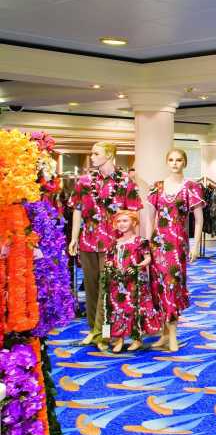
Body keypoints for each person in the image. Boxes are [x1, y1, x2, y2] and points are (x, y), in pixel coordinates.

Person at [68, 142, 141, 346]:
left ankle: (104, 332)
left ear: (109, 155)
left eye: (96, 153)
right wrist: (74, 238)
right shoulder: (84, 181)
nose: (91, 156)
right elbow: (77, 210)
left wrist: (134, 243)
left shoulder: (125, 181)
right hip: (88, 241)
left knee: (107, 288)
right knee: (91, 288)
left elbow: (134, 214)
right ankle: (93, 329)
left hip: (114, 243)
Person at [135, 148, 206, 352]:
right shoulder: (157, 187)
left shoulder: (191, 187)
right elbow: (149, 218)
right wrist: (146, 245)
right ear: (167, 162)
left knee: (172, 286)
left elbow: (199, 220)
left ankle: (173, 334)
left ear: (185, 163)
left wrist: (195, 245)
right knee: (158, 287)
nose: (175, 163)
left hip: (177, 244)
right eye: (171, 160)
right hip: (158, 243)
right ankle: (164, 334)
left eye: (179, 160)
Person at [101, 210, 162, 353]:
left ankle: (137, 339)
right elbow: (109, 259)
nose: (121, 224)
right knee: (117, 308)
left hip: (134, 282)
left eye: (125, 221)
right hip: (117, 282)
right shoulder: (115, 242)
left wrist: (138, 266)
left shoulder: (140, 241)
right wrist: (109, 265)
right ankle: (119, 339)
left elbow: (148, 258)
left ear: (134, 222)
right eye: (119, 221)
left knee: (135, 308)